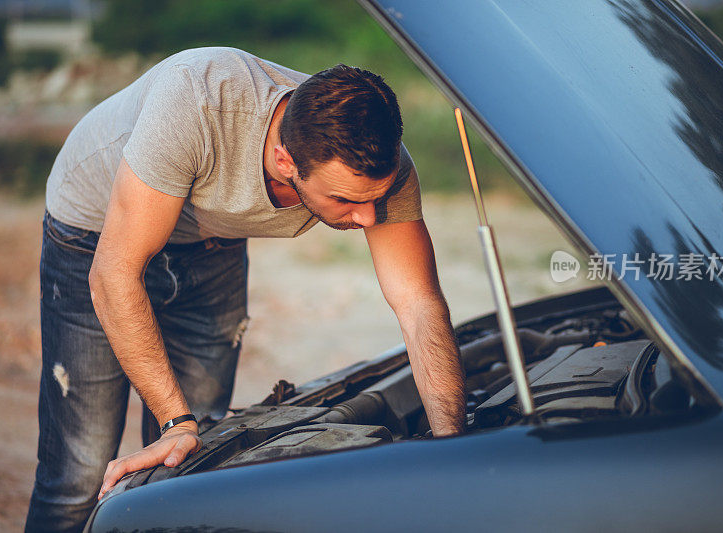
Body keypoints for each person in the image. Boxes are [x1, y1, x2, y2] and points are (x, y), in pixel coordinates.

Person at [26, 46, 466, 533]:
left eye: (375, 200)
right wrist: (176, 420)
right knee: (81, 473)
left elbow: (419, 303)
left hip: (213, 243)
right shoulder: (196, 102)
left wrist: (453, 445)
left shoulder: (379, 169)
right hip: (94, 234)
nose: (368, 217)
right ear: (285, 160)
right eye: (343, 200)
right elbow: (114, 274)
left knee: (193, 465)